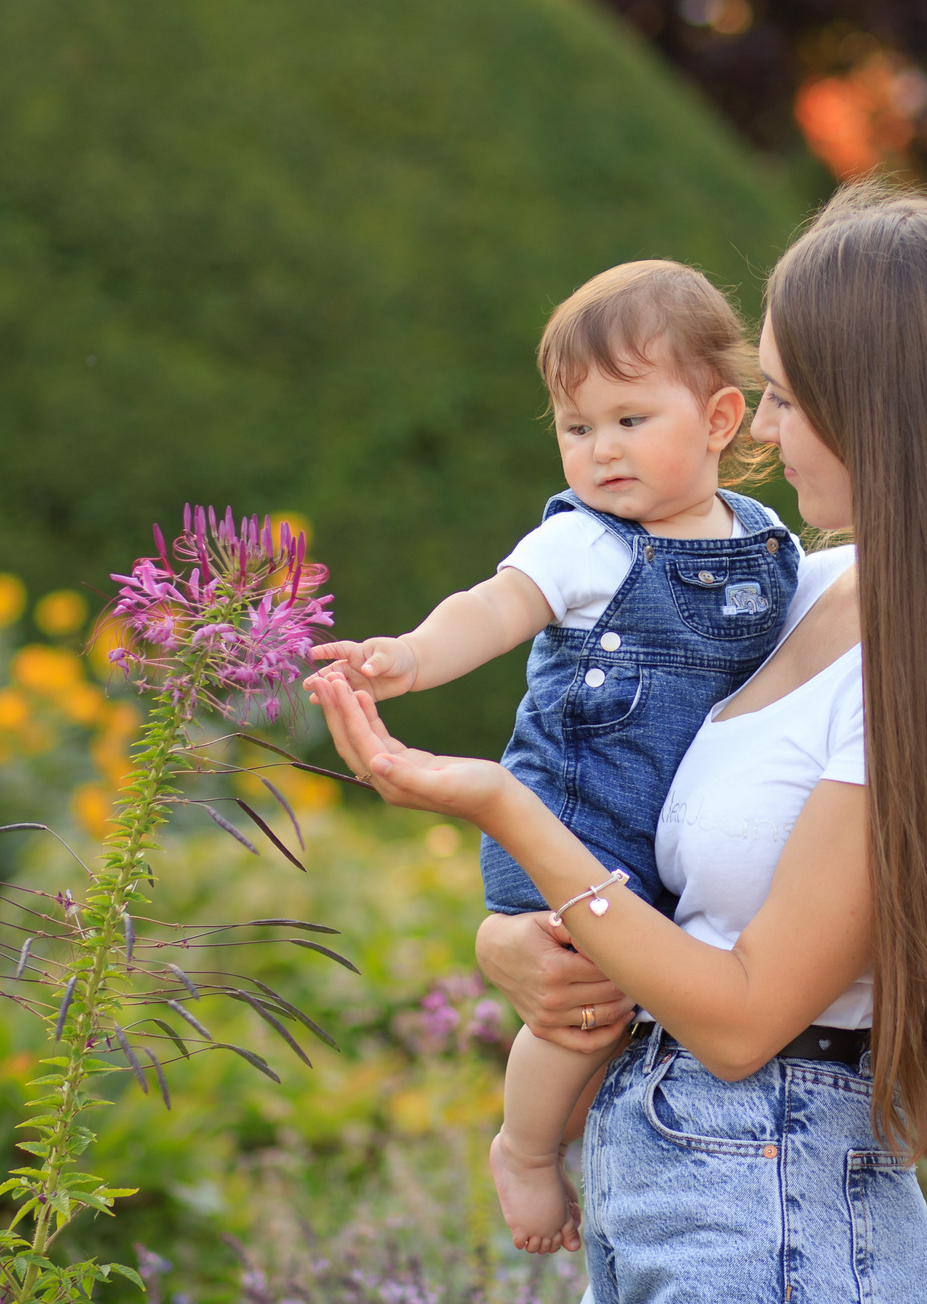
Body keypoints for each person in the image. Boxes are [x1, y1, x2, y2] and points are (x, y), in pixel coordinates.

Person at [310, 184, 927, 1302]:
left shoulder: (914, 669)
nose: (765, 427)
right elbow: (650, 860)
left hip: (772, 1207)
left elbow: (742, 1021)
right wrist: (519, 945)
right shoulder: (794, 590)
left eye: (787, 398)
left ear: (880, 408)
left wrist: (504, 809)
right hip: (672, 1181)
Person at [310, 258, 801, 1253]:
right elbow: (493, 607)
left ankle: (591, 1138)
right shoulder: (585, 546)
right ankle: (525, 1150)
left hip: (673, 843)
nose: (601, 453)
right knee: (579, 1015)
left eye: (630, 421)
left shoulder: (771, 545)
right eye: (577, 429)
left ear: (717, 421)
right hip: (573, 825)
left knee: (635, 1015)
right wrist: (408, 657)